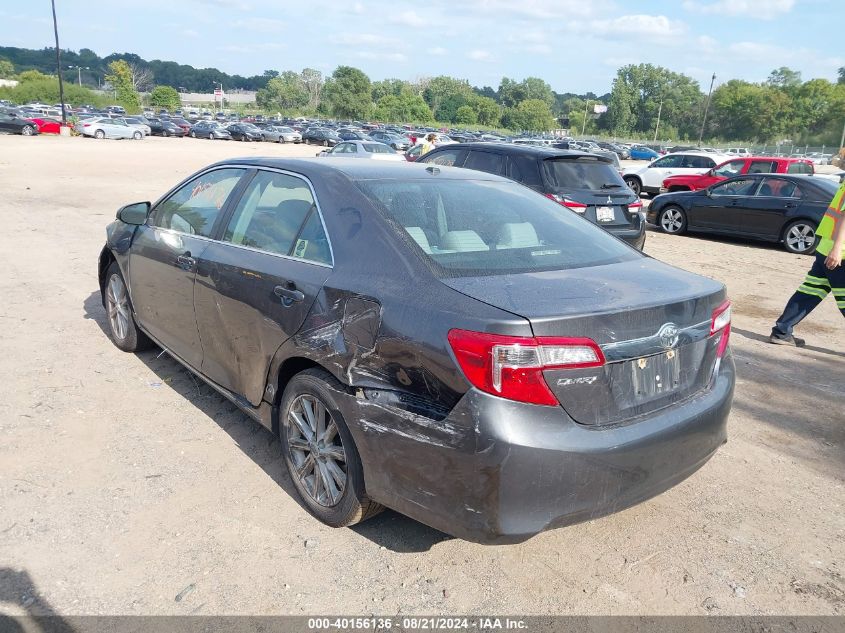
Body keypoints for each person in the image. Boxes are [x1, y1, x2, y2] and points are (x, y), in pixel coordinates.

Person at [770, 179, 845, 345]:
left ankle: (781, 332)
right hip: (838, 254)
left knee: (809, 293)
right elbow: (843, 216)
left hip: (826, 249)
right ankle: (781, 332)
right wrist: (837, 249)